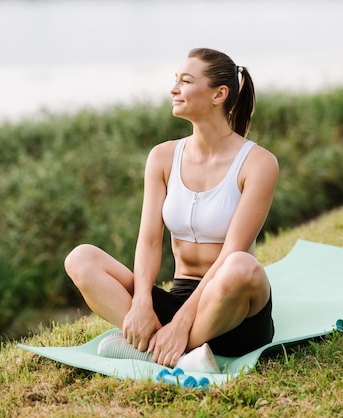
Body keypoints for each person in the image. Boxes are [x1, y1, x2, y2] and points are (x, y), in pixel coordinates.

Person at [64, 48, 278, 370]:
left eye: (186, 81)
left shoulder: (258, 163)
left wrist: (182, 323)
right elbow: (149, 241)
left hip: (234, 312)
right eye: (175, 80)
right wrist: (140, 302)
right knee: (81, 258)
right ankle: (174, 349)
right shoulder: (163, 157)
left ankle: (166, 347)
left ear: (219, 94)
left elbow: (231, 253)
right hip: (178, 295)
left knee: (241, 266)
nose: (173, 89)